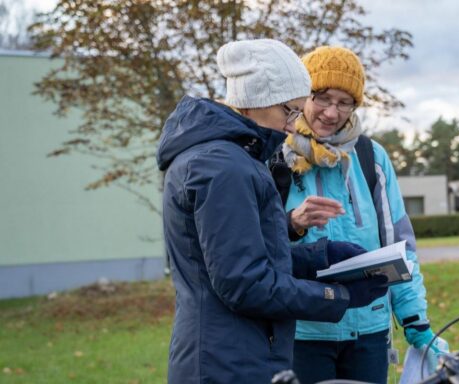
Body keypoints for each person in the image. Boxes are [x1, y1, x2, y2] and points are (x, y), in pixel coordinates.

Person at [156, 39, 388, 384]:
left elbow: (242, 252)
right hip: (228, 363)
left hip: (237, 353)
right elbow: (245, 284)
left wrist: (319, 258)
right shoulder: (223, 166)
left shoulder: (231, 158)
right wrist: (335, 295)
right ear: (257, 101)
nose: (295, 125)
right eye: (291, 111)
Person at [269, 46, 447, 384]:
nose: (332, 112)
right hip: (302, 334)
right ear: (301, 96)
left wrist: (415, 320)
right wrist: (292, 222)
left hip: (369, 333)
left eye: (344, 101)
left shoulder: (371, 157)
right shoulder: (275, 157)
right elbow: (256, 246)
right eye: (321, 97)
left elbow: (399, 246)